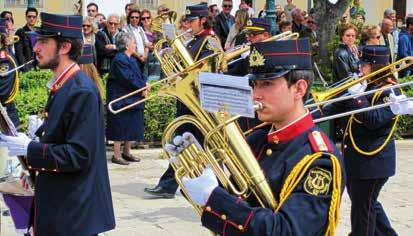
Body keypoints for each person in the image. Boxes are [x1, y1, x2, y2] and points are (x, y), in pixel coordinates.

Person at [181, 38, 345, 235]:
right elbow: (238, 200)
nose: (255, 94)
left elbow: (286, 231)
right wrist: (196, 173)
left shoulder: (319, 160)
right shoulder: (258, 138)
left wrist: (213, 198)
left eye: (267, 83)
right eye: (255, 84)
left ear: (299, 89)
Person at [0, 12, 115, 235]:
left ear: (64, 47)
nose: (35, 48)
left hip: (74, 213)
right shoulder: (64, 86)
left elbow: (79, 155)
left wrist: (30, 149)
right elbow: (59, 141)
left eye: (43, 41)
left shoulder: (81, 91)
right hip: (62, 206)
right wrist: (33, 168)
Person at [314, 45, 399, 236]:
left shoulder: (391, 92)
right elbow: (341, 108)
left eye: (365, 64)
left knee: (363, 212)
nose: (360, 68)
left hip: (373, 162)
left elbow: (373, 120)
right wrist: (311, 114)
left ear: (377, 66)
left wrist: (358, 97)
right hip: (357, 159)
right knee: (368, 204)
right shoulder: (367, 86)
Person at [144, 3, 222, 199]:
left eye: (191, 20)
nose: (187, 24)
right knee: (183, 142)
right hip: (187, 100)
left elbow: (210, 69)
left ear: (203, 20)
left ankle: (209, 186)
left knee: (201, 145)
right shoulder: (192, 40)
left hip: (200, 102)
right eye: (186, 20)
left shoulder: (210, 41)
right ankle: (174, 184)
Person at [106, 32, 147, 165]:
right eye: (134, 42)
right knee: (120, 125)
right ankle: (117, 155)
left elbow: (139, 76)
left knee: (131, 124)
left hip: (131, 97)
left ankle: (127, 152)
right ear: (127, 45)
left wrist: (144, 85)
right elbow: (127, 78)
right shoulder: (119, 59)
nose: (135, 44)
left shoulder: (131, 59)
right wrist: (142, 87)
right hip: (120, 97)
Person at [14, 7, 38, 72]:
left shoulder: (39, 31)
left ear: (36, 18)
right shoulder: (20, 32)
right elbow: (19, 53)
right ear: (26, 17)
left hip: (38, 66)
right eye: (29, 16)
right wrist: (26, 69)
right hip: (27, 67)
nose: (31, 19)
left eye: (34, 17)